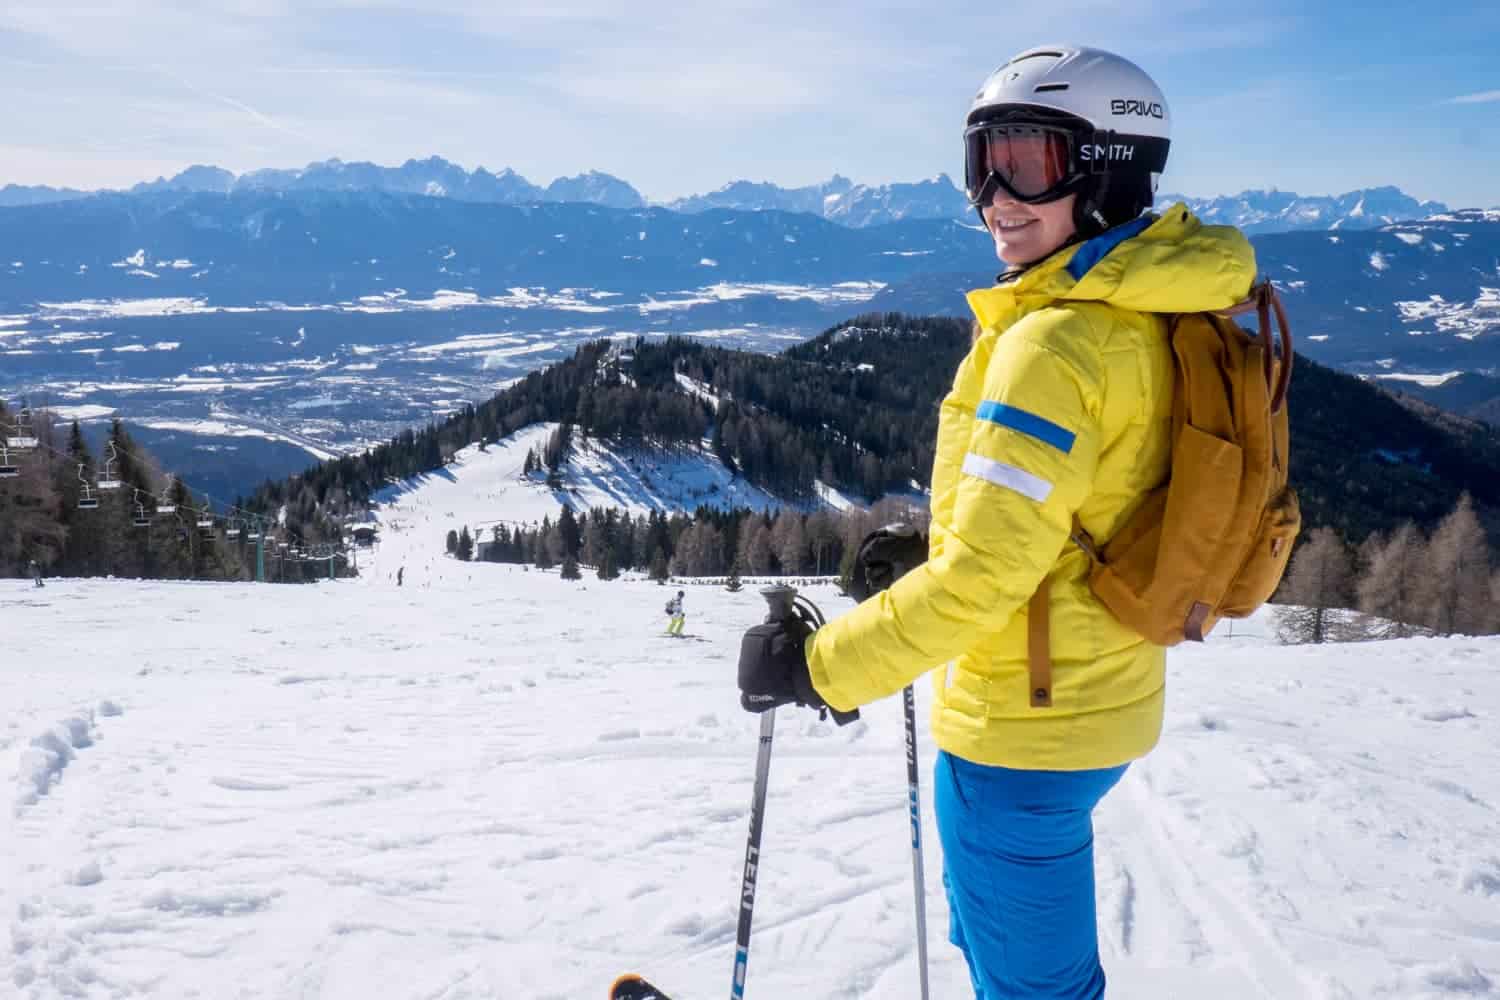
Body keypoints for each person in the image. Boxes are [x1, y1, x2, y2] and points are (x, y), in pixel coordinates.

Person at [738, 44, 1257, 999]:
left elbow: (986, 583)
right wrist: (941, 546)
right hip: (1094, 698)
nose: (992, 196)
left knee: (1035, 989)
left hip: (1022, 732)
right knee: (1010, 959)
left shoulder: (1057, 344)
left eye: (1026, 161)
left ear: (1107, 168)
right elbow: (1081, 507)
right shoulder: (1151, 305)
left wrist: (819, 667)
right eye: (979, 162)